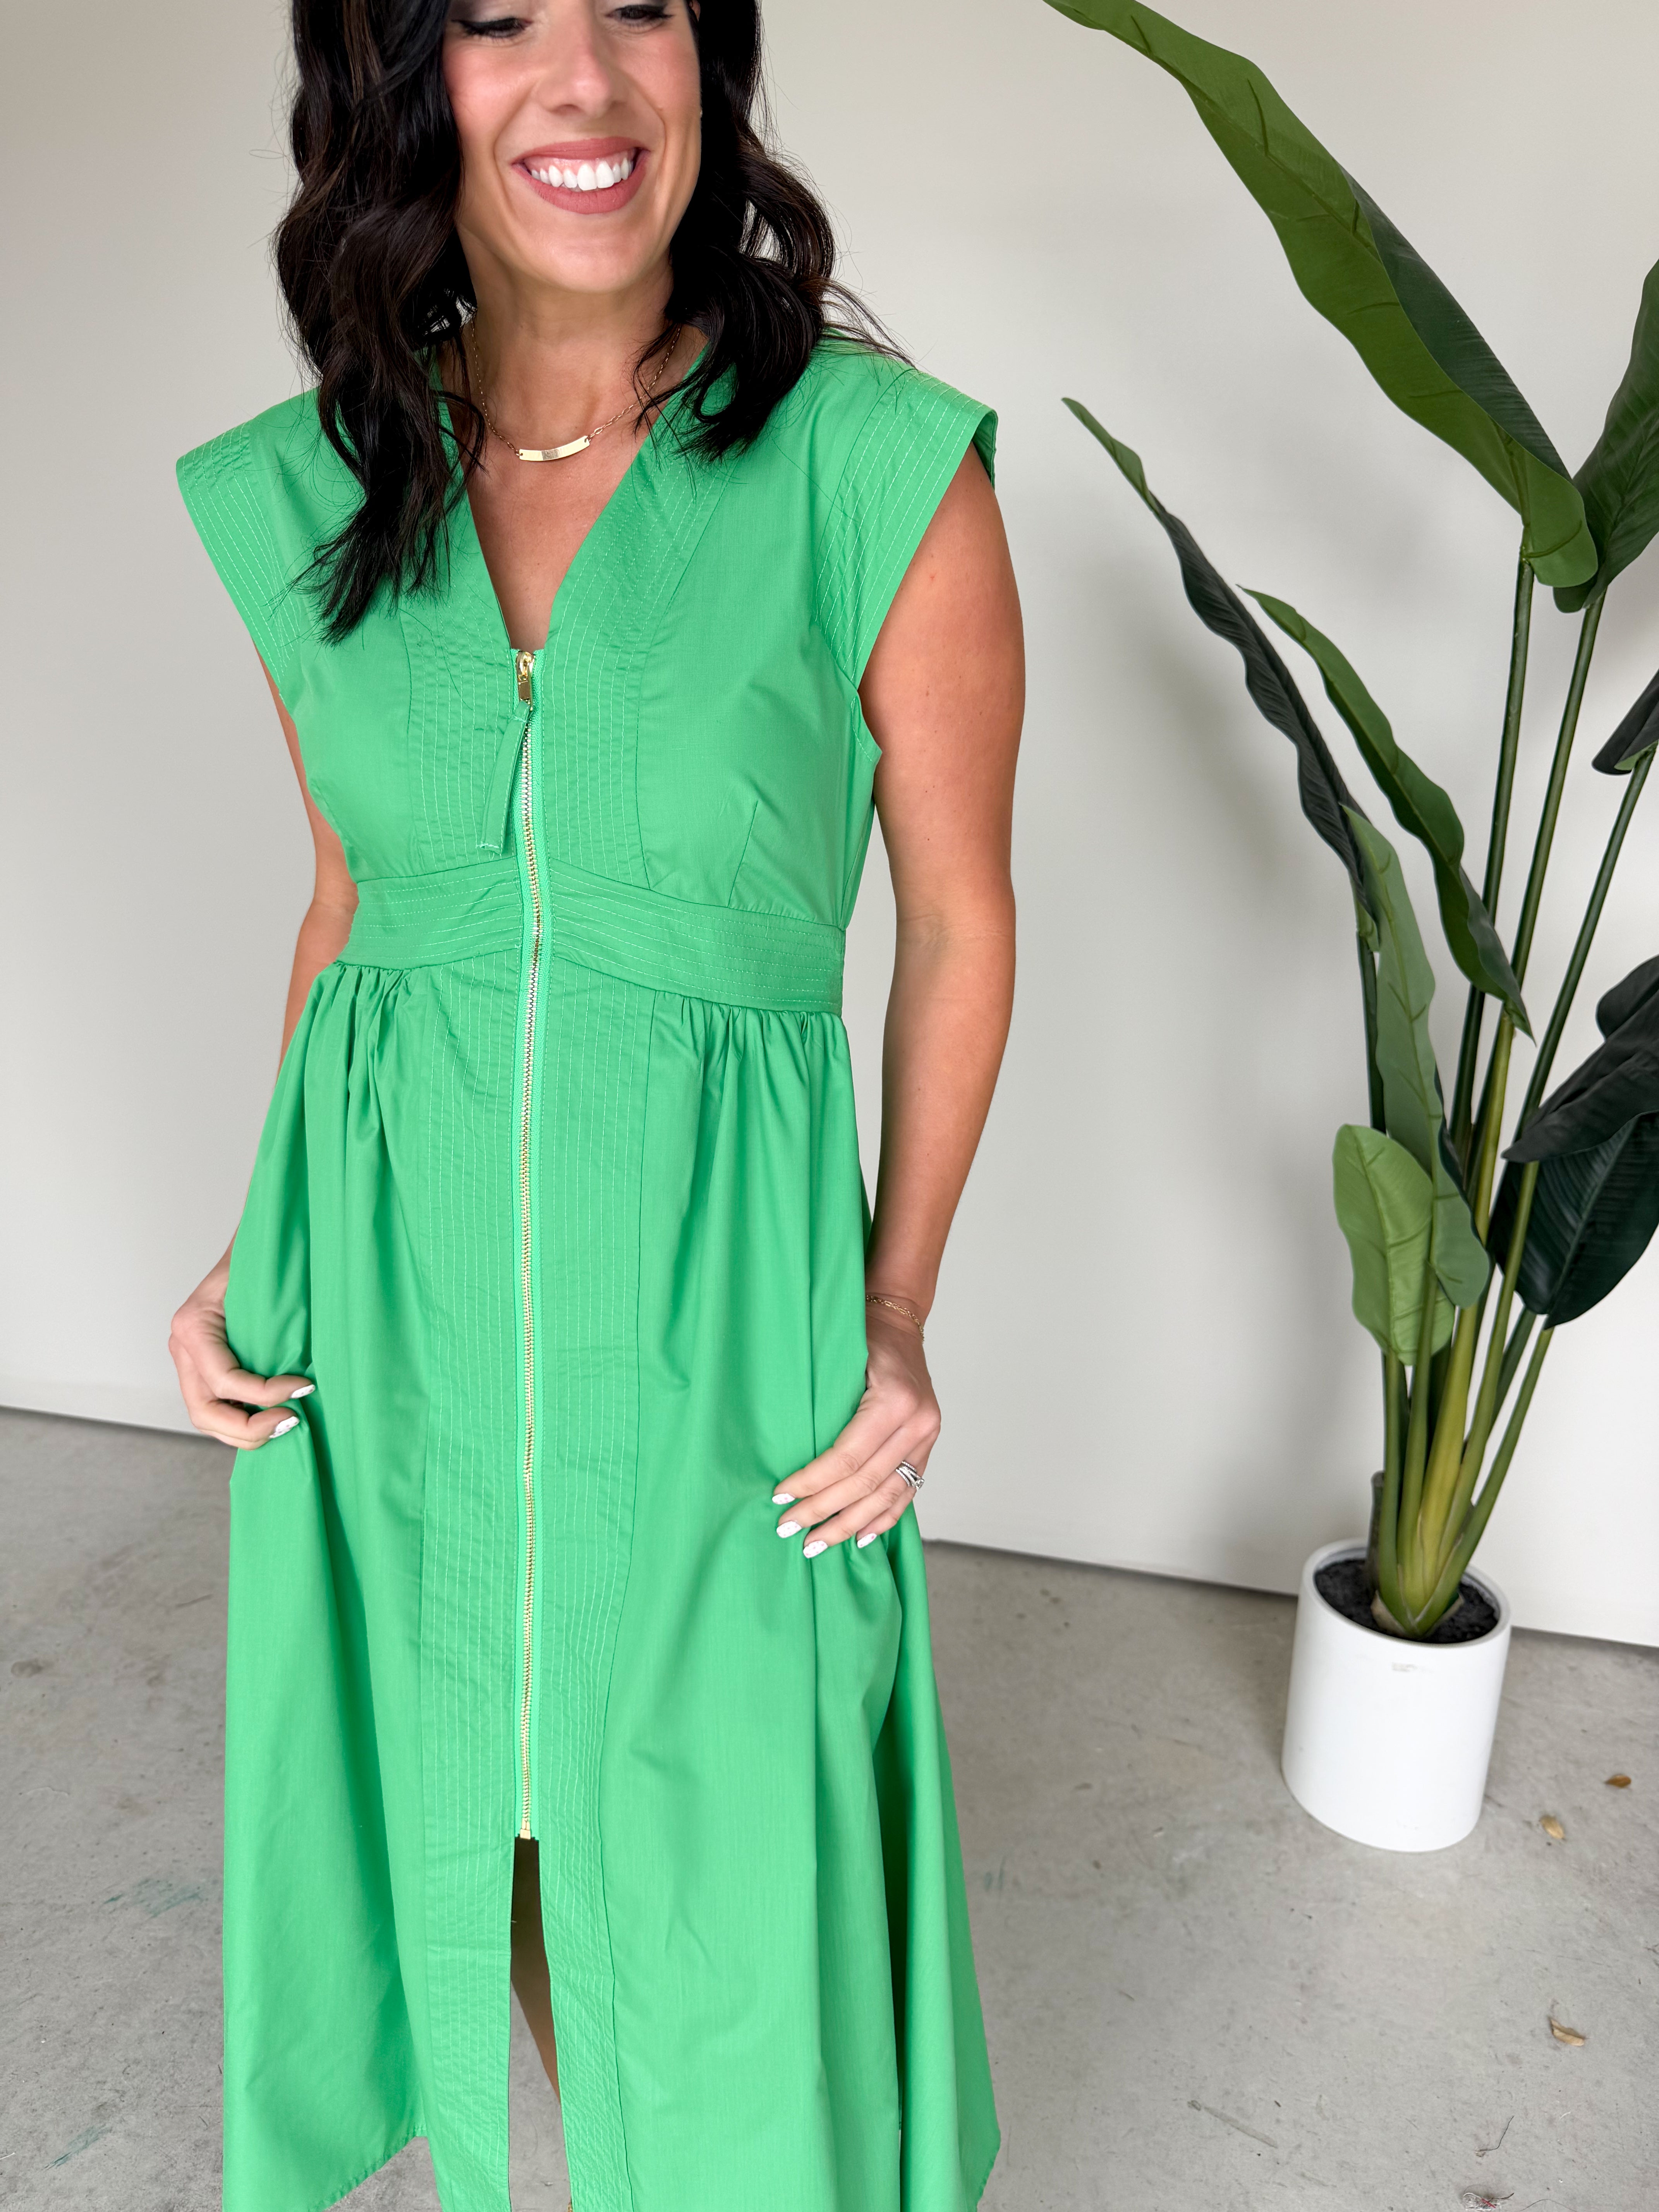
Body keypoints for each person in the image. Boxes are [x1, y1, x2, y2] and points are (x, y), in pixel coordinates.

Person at [167, 2, 1023, 2205]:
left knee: (731, 1831)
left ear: (710, 64)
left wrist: (896, 1312)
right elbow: (361, 905)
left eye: (640, 5)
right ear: (404, 90)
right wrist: (252, 1247)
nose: (585, 78)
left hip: (722, 1309)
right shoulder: (313, 491)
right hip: (393, 1301)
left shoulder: (873, 467)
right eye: (496, 20)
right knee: (486, 1799)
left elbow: (955, 917)